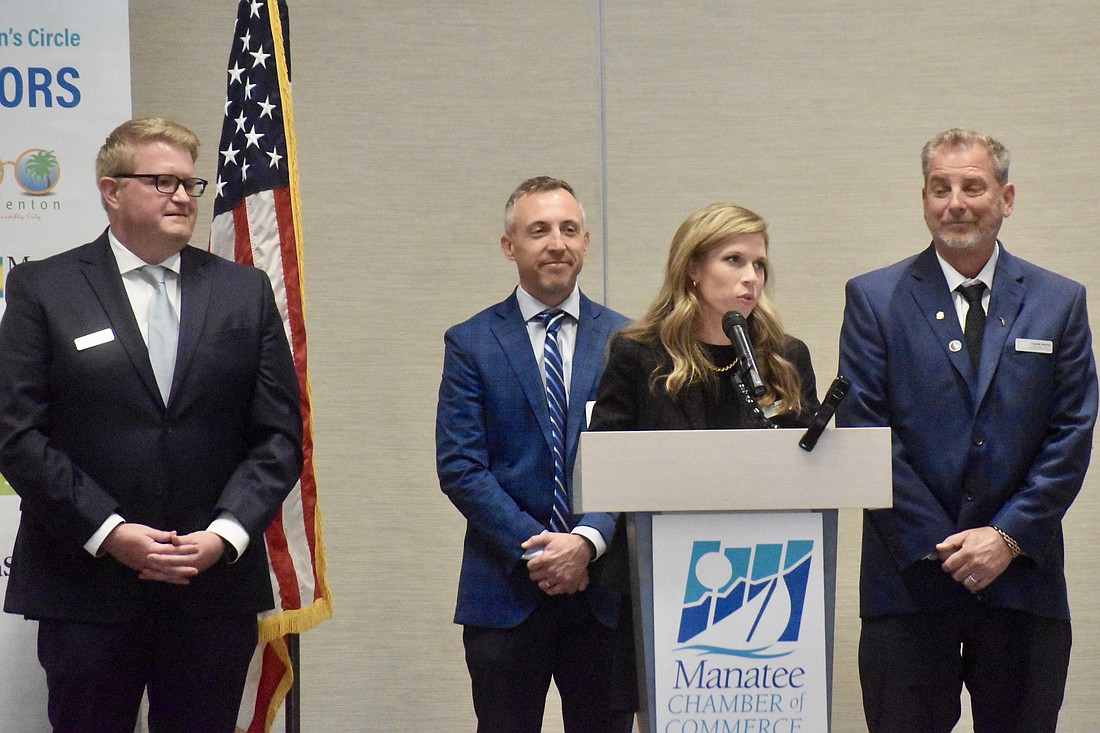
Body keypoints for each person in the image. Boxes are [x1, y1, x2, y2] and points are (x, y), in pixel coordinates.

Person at [0, 118, 304, 733]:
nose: (184, 196)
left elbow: (279, 436)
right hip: (85, 584)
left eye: (191, 183)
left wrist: (223, 533)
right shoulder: (43, 287)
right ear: (112, 191)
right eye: (162, 181)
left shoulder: (244, 291)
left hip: (211, 586)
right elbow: (16, 433)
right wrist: (110, 531)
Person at [837, 128, 1098, 733]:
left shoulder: (1059, 302)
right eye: (940, 188)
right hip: (909, 584)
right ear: (923, 199)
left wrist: (1003, 539)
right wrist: (946, 549)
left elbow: (1071, 434)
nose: (955, 202)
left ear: (1006, 198)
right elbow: (865, 430)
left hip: (1021, 583)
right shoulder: (874, 299)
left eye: (973, 187)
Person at [588, 202, 827, 712]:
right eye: (734, 260)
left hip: (766, 572)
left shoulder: (784, 358)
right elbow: (605, 464)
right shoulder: (638, 355)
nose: (751, 278)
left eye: (759, 264)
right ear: (692, 270)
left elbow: (808, 473)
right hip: (662, 580)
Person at [435, 176, 633, 733]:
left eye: (569, 230)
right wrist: (543, 553)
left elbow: (632, 460)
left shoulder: (629, 341)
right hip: (504, 590)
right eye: (539, 230)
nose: (556, 243)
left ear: (586, 242)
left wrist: (586, 542)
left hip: (601, 593)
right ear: (509, 246)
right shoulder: (470, 342)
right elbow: (460, 466)